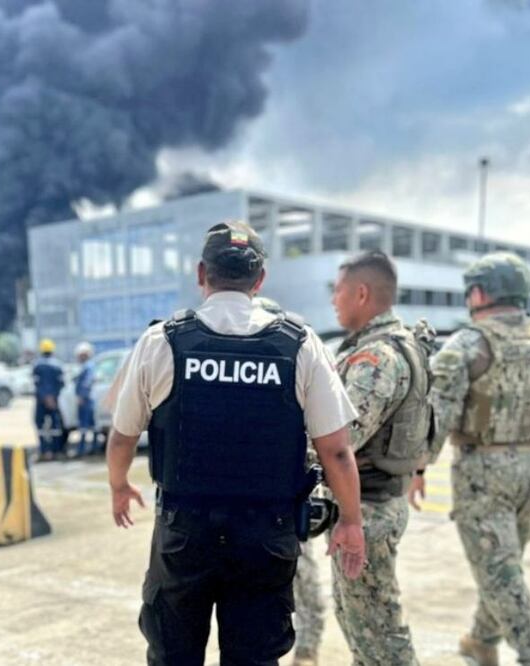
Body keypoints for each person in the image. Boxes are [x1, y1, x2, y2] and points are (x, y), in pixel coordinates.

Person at [107, 220, 367, 666]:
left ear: (201, 274)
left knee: (174, 656)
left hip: (184, 535)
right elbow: (337, 451)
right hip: (265, 535)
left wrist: (119, 487)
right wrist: (352, 520)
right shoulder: (300, 345)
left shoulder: (161, 341)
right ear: (259, 279)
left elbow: (122, 436)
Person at [409, 252, 530, 666]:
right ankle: (482, 639)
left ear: (480, 293)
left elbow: (439, 414)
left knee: (501, 573)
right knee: (504, 564)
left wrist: (417, 467)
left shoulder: (468, 345)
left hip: (483, 473)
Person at [329, 251, 433, 666]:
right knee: (362, 627)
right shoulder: (401, 345)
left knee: (380, 636)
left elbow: (339, 442)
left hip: (367, 510)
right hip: (373, 504)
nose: (333, 300)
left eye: (337, 290)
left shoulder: (377, 359)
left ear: (361, 293)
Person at [254, 296, 324, 666]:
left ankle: (308, 651)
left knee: (306, 583)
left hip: (286, 507)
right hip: (249, 513)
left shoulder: (297, 369)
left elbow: (320, 439)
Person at [33, 338, 65, 461]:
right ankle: (56, 450)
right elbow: (61, 383)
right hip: (54, 401)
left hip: (41, 401)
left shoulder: (37, 365)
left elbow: (36, 384)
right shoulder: (58, 365)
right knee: (56, 426)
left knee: (40, 426)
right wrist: (52, 397)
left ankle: (44, 450)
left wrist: (45, 397)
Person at [74, 341, 99, 457]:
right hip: (89, 399)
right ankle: (94, 446)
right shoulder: (89, 366)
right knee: (91, 425)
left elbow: (86, 383)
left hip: (86, 400)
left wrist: (81, 396)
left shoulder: (87, 367)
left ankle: (82, 448)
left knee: (84, 425)